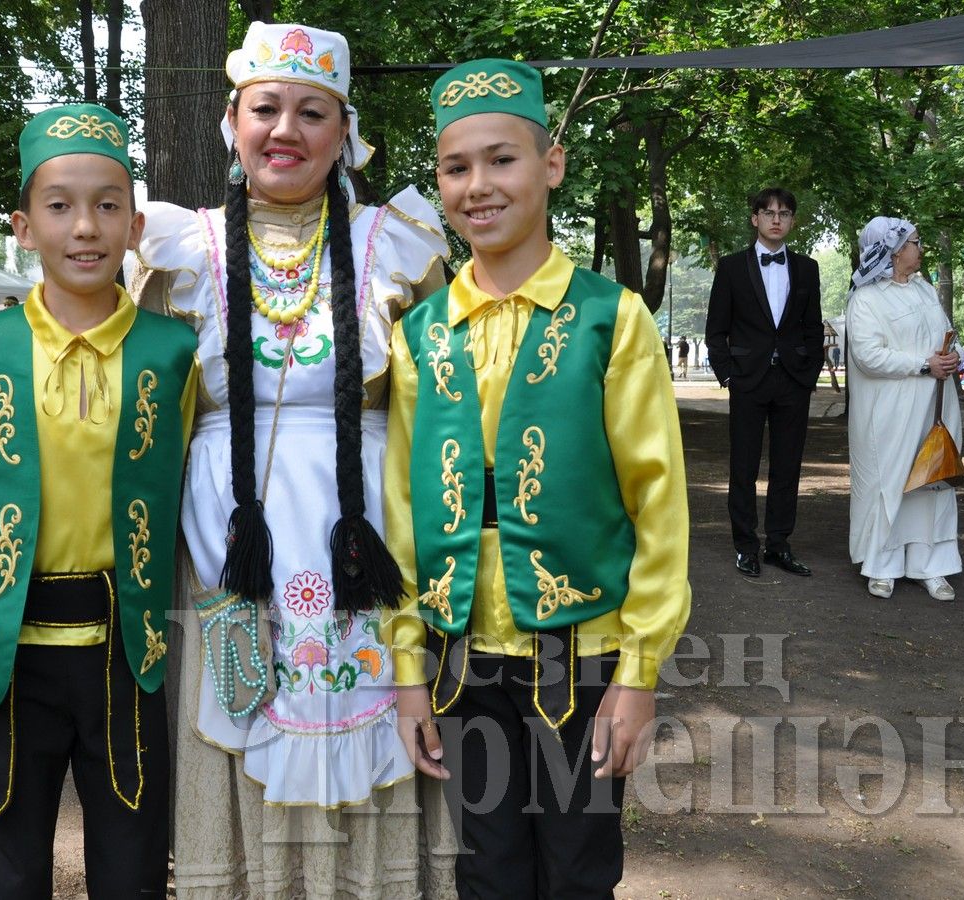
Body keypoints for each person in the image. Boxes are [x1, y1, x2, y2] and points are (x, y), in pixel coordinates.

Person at [134, 22, 455, 899]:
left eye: (311, 112)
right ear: (231, 124)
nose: (286, 130)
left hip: (366, 539)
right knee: (236, 716)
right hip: (225, 550)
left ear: (344, 132)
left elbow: (443, 410)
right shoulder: (175, 249)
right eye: (265, 108)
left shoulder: (399, 241)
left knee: (373, 712)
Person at [387, 58, 691, 898]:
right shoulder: (422, 334)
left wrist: (638, 675)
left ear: (550, 164)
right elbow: (402, 511)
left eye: (502, 159)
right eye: (456, 167)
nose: (477, 186)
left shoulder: (609, 317)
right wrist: (407, 672)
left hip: (580, 656)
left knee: (577, 868)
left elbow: (656, 500)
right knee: (487, 867)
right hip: (464, 656)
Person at [0, 103, 198, 897]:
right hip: (8, 641)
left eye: (106, 204)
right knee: (9, 864)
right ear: (24, 227)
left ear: (134, 223)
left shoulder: (171, 352)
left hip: (127, 645)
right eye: (59, 206)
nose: (84, 226)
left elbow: (181, 480)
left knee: (132, 860)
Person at [705, 187, 823, 578]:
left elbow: (811, 328)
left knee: (788, 467)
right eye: (769, 212)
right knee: (743, 466)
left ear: (792, 221)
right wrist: (727, 375)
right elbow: (716, 329)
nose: (777, 219)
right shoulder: (732, 268)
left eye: (784, 213)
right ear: (755, 218)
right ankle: (745, 546)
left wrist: (808, 375)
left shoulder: (808, 268)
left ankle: (778, 544)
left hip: (792, 380)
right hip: (747, 381)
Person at [846, 217, 961, 601]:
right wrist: (923, 363)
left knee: (932, 483)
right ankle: (882, 565)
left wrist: (951, 357)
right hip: (888, 414)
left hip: (934, 406)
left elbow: (946, 333)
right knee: (888, 483)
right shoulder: (865, 298)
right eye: (915, 242)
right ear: (893, 252)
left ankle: (932, 566)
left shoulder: (926, 290)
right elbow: (867, 356)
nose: (920, 248)